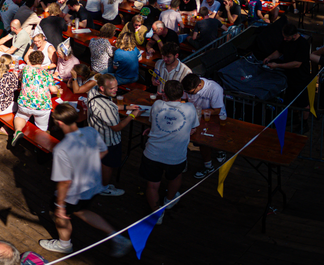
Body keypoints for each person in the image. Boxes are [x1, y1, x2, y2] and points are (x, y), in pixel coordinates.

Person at [39, 103, 132, 257]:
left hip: (74, 191)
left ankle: (64, 244)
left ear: (60, 123)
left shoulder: (62, 149)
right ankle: (117, 237)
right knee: (81, 210)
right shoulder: (90, 131)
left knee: (60, 215)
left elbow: (64, 182)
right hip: (93, 184)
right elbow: (103, 151)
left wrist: (60, 205)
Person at [139, 78, 197, 224]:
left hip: (152, 153)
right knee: (175, 177)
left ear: (164, 94)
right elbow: (194, 128)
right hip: (176, 156)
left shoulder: (157, 104)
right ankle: (169, 200)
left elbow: (154, 123)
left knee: (152, 185)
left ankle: (157, 213)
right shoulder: (190, 108)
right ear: (182, 94)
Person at [85, 73, 136, 196]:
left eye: (116, 87)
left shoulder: (93, 91)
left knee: (100, 162)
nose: (116, 90)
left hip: (95, 136)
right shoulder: (106, 108)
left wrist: (126, 106)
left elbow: (110, 105)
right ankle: (104, 188)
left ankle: (98, 181)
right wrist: (133, 115)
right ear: (102, 88)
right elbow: (117, 127)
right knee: (107, 165)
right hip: (108, 141)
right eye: (112, 89)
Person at [181, 73, 228, 179]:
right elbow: (183, 99)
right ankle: (183, 162)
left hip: (215, 117)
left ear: (198, 86)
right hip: (196, 115)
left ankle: (212, 161)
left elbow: (217, 110)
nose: (189, 94)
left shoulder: (215, 89)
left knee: (204, 140)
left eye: (191, 93)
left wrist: (195, 111)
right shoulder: (187, 86)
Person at [12, 50, 59, 146]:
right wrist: (58, 90)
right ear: (42, 61)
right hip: (42, 107)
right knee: (41, 127)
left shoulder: (25, 69)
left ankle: (17, 131)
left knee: (20, 116)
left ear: (30, 59)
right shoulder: (47, 74)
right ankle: (39, 145)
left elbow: (21, 75)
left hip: (25, 104)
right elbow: (53, 90)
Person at [264, 24, 311, 105]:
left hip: (300, 78)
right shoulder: (286, 40)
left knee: (303, 102)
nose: (285, 39)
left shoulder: (303, 44)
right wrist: (269, 57)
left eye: (287, 38)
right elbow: (279, 51)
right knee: (290, 100)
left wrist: (277, 65)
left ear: (294, 35)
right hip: (289, 76)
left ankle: (304, 117)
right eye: (284, 37)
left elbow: (297, 64)